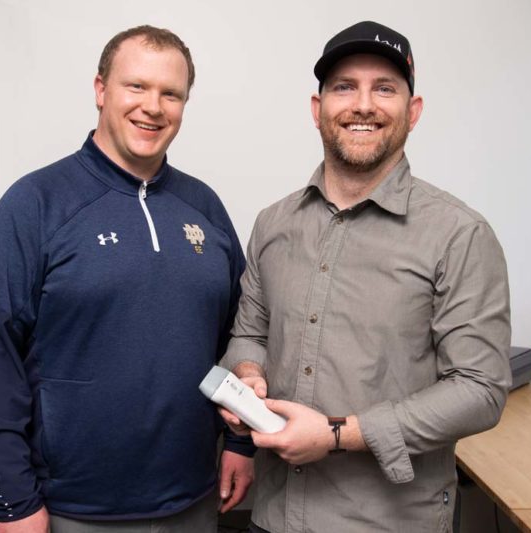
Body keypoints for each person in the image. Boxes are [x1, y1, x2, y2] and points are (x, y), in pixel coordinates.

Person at [218, 21, 512, 533]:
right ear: (318, 109)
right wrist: (247, 377)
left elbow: (481, 389)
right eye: (345, 87)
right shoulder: (273, 223)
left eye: (384, 88)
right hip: (275, 515)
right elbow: (252, 332)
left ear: (412, 112)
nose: (363, 105)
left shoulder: (459, 234)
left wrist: (338, 434)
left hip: (388, 522)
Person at [0, 25, 254, 533]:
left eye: (171, 93)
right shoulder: (35, 205)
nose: (153, 107)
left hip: (195, 497)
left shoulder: (204, 208)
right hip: (71, 509)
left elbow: (241, 339)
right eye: (136, 86)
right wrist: (12, 502)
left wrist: (239, 443)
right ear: (101, 90)